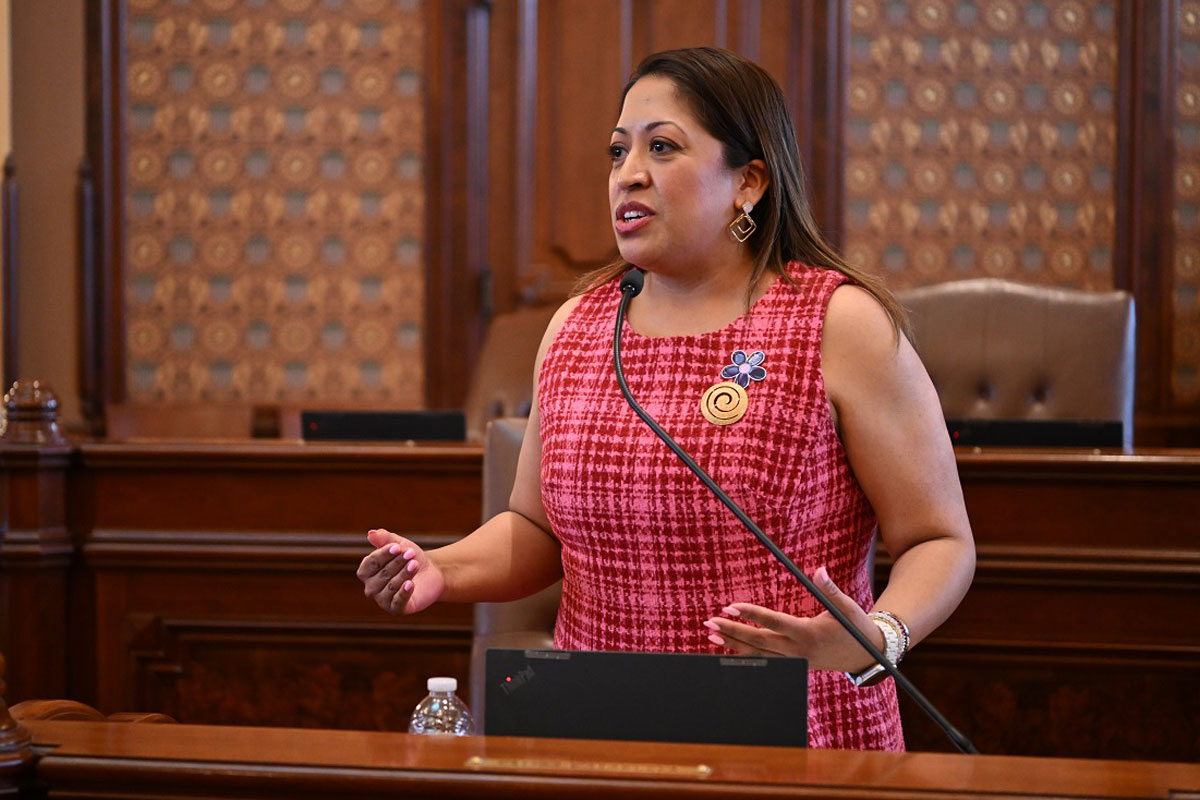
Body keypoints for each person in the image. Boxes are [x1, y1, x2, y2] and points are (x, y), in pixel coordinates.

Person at [358, 46, 974, 751]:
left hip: (797, 732)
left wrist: (879, 636)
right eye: (618, 152)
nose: (630, 174)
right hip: (600, 734)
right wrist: (442, 567)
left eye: (663, 148)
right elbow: (535, 531)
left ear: (748, 182)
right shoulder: (577, 326)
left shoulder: (839, 324)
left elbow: (939, 539)